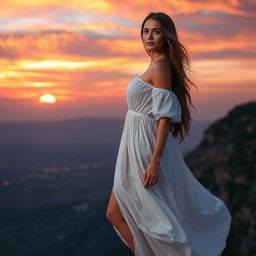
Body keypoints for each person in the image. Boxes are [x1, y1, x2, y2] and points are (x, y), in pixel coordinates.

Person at [106, 12, 232, 256]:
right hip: (133, 146)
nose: (149, 36)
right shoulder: (155, 64)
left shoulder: (161, 66)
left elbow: (164, 117)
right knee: (115, 213)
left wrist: (154, 162)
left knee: (152, 221)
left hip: (145, 149)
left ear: (167, 36)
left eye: (156, 31)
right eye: (145, 31)